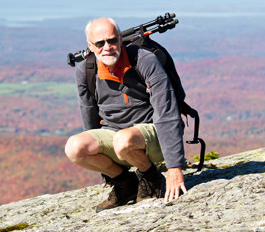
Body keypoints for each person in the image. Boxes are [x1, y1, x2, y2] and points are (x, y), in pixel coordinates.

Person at [65, 17, 187, 211]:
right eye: (100, 43)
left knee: (123, 141)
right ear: (90, 46)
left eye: (112, 40)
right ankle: (124, 183)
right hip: (115, 136)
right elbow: (89, 117)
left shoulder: (144, 60)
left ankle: (150, 176)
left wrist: (174, 167)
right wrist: (107, 172)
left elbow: (166, 111)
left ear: (120, 39)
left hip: (153, 134)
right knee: (74, 147)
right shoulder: (86, 71)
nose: (108, 47)